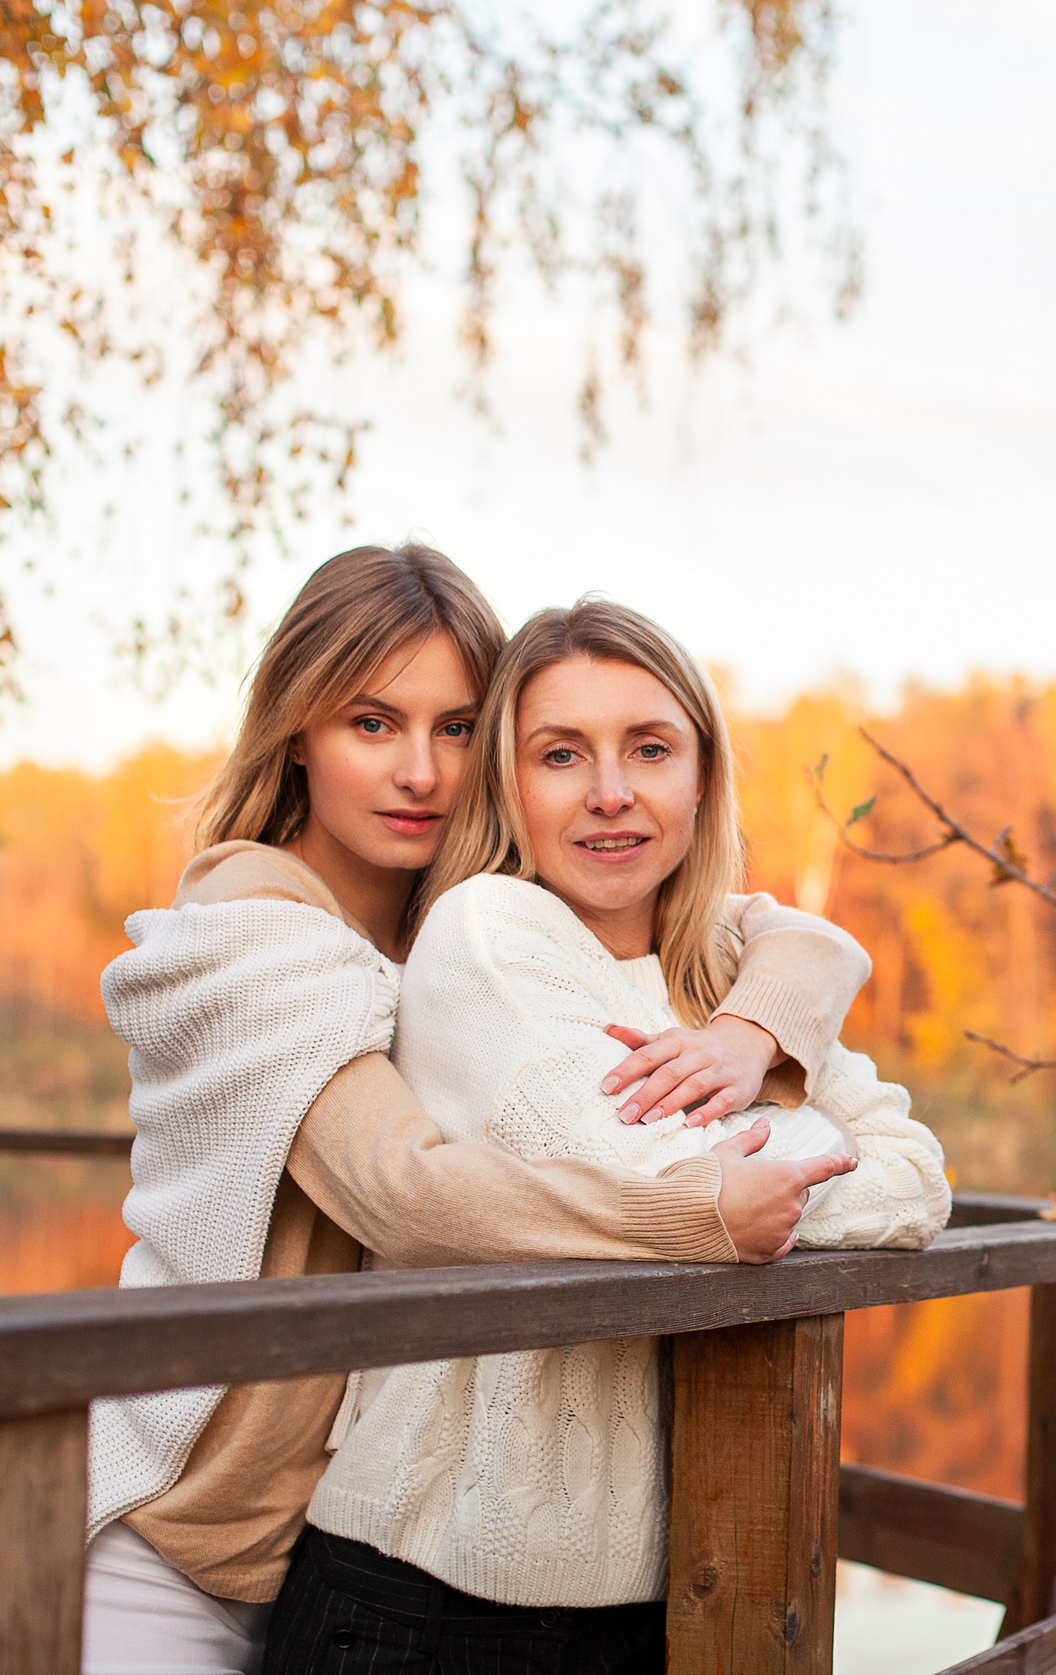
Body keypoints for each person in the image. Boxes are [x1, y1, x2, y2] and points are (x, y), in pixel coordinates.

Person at [84, 548, 869, 1675]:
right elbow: (402, 1192)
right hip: (187, 1536)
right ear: (296, 732)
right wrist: (694, 1212)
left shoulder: (474, 920)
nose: (419, 771)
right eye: (371, 723)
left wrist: (748, 1035)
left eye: (457, 729)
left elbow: (809, 939)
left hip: (347, 1537)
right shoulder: (248, 931)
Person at [263, 598, 950, 1673]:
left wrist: (746, 1042)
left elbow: (918, 1182)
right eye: (560, 754)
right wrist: (791, 1110)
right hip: (420, 1601)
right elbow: (665, 1179)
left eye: (648, 748)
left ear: (700, 777)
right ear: (509, 783)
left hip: (653, 1602)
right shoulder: (487, 935)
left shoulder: (728, 978)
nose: (611, 793)